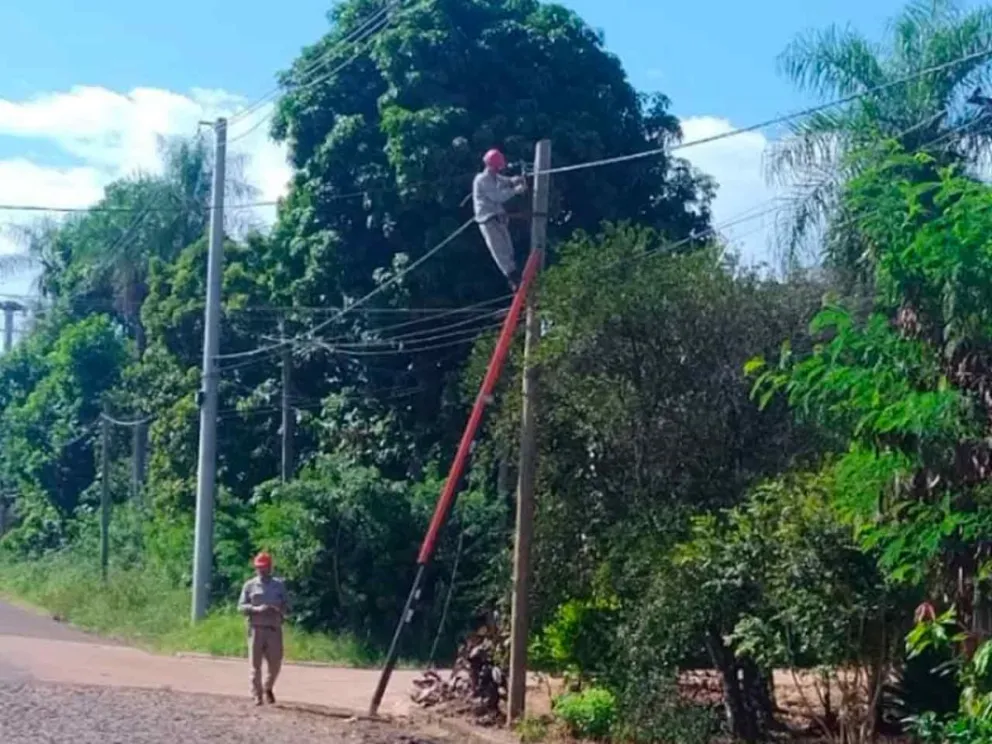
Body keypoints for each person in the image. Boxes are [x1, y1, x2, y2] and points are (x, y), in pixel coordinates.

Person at [237, 551, 289, 705]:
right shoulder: (249, 585)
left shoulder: (279, 585)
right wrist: (256, 609)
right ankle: (257, 694)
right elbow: (240, 607)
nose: (262, 570)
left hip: (274, 629)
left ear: (270, 567)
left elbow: (287, 605)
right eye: (259, 567)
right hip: (256, 628)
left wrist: (279, 610)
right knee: (255, 664)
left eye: (265, 567)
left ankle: (268, 687)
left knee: (275, 664)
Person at [472, 148, 528, 290]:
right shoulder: (482, 179)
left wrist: (515, 180)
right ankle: (512, 276)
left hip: (498, 218)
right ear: (491, 166)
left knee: (508, 248)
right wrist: (516, 190)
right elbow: (497, 196)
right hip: (487, 219)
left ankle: (514, 272)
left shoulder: (494, 177)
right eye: (497, 167)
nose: (498, 170)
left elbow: (506, 181)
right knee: (499, 249)